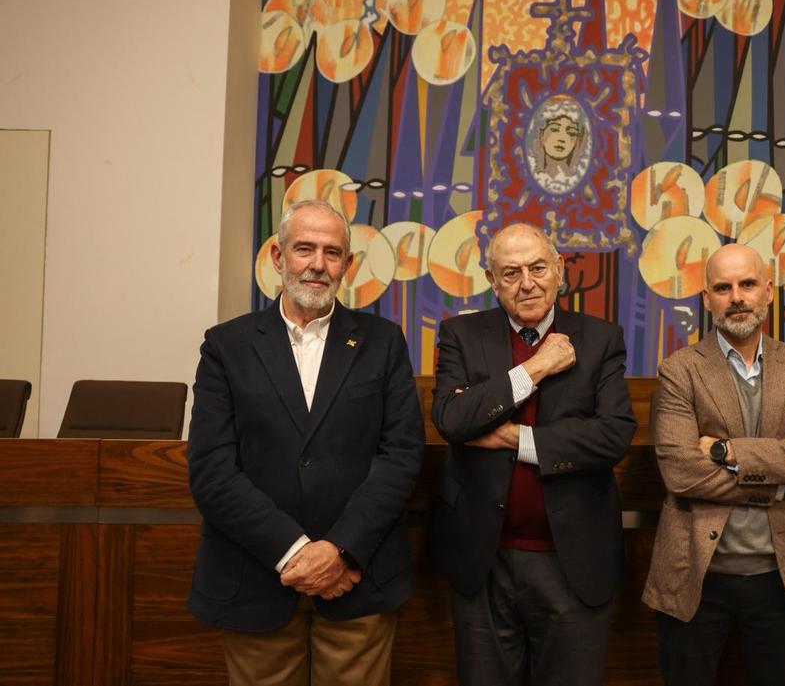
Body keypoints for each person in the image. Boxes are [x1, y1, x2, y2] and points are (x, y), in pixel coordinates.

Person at [187, 199, 425, 686]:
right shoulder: (226, 346)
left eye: (332, 253)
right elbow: (212, 470)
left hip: (356, 580)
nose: (318, 264)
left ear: (347, 264)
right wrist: (295, 552)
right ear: (278, 257)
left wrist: (339, 551)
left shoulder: (383, 342)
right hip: (257, 578)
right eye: (304, 249)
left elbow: (400, 457)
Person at [429, 222, 636, 686]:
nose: (527, 283)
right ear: (491, 280)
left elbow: (613, 435)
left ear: (559, 268)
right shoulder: (461, 334)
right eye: (511, 273)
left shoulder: (600, 338)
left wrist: (516, 439)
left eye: (538, 268)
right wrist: (536, 367)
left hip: (573, 559)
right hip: (484, 558)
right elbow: (453, 419)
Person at [643, 243, 785, 686]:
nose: (736, 297)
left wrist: (725, 451)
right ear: (706, 298)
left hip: (783, 577)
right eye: (723, 288)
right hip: (697, 575)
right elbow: (680, 471)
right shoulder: (679, 370)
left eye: (747, 284)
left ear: (768, 291)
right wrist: (779, 477)